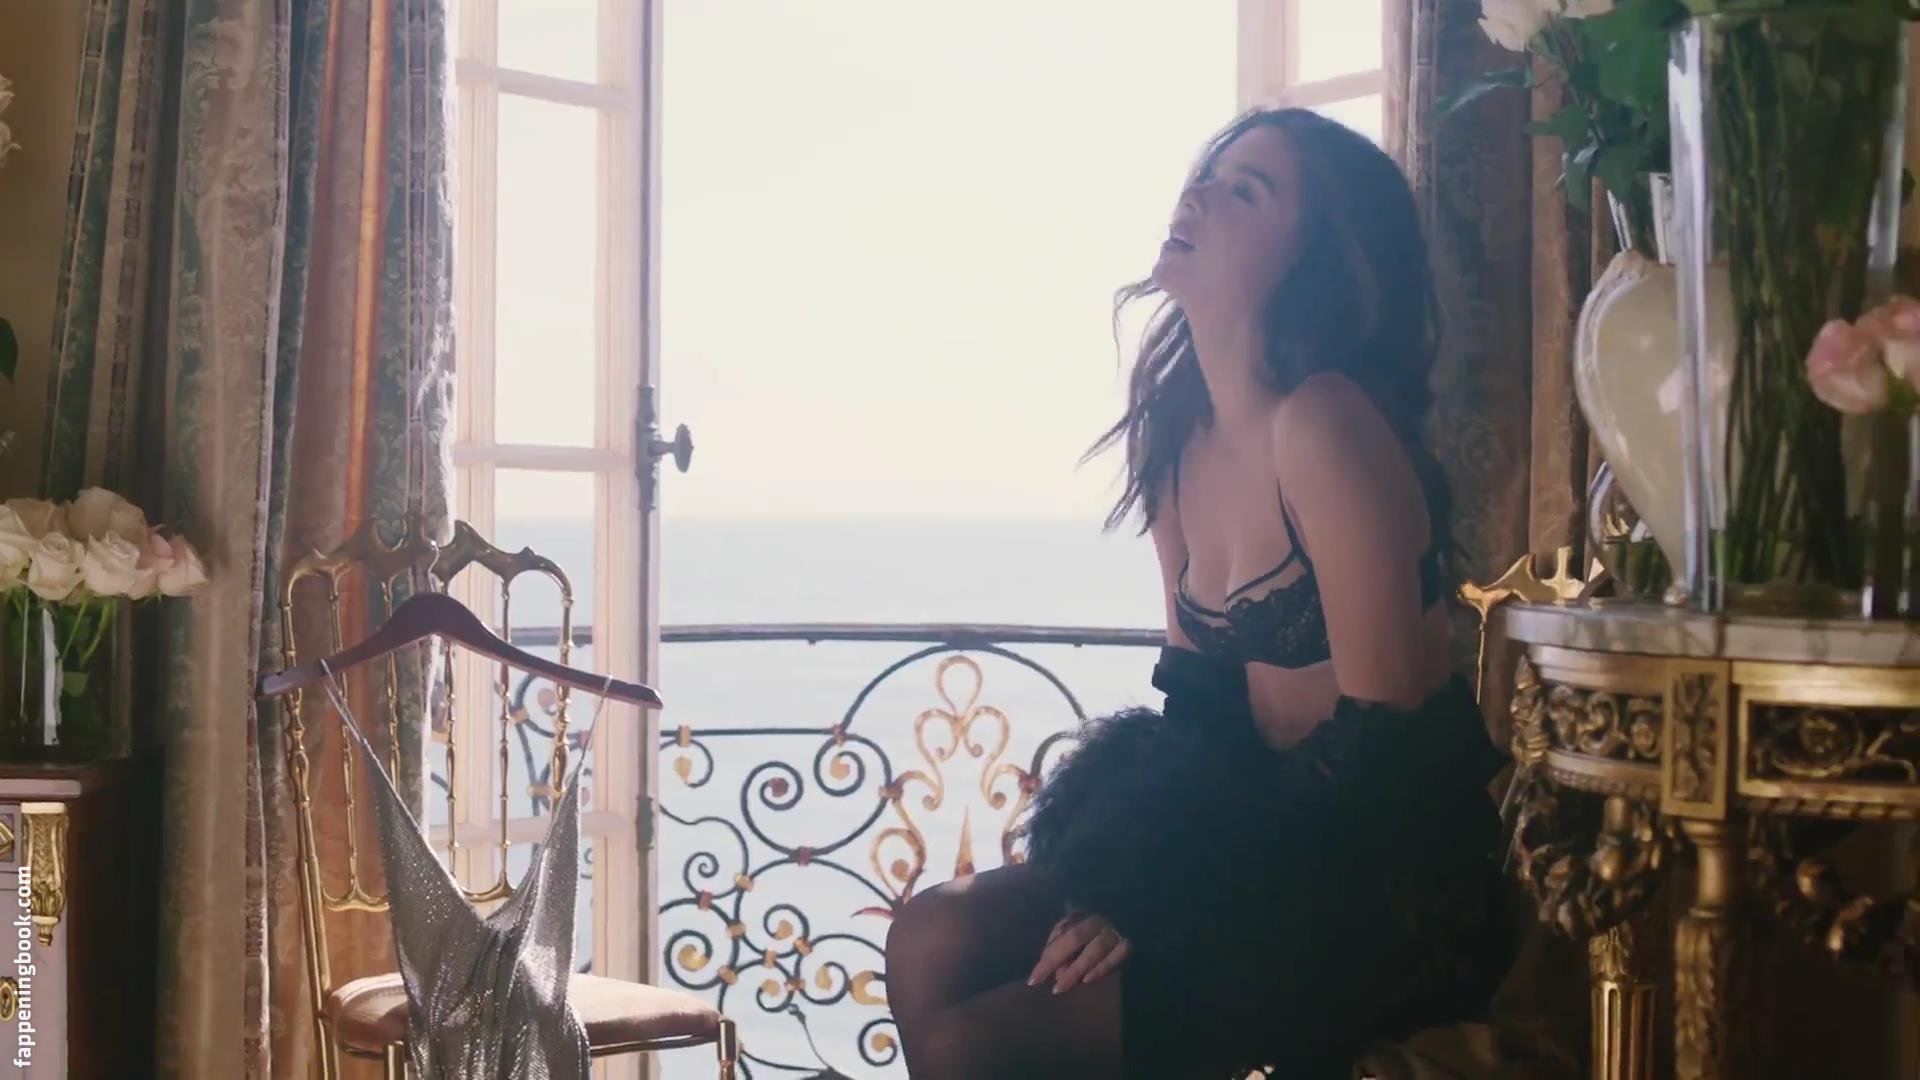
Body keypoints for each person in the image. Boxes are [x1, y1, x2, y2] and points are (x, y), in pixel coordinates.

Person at [883, 108, 1515, 1079]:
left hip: (1379, 886)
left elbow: (1385, 757)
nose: (1200, 195)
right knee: (929, 936)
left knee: (977, 1044)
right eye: (1209, 174)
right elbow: (1203, 711)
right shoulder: (1180, 440)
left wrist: (1169, 902)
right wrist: (1135, 880)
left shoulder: (1325, 423)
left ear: (1313, 258)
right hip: (1246, 852)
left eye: (1245, 191)